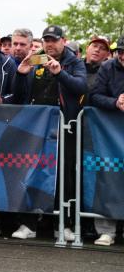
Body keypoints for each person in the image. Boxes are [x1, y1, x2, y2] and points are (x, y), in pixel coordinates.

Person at [12, 25, 86, 241]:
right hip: (37, 129)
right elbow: (19, 96)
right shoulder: (37, 59)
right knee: (33, 174)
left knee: (65, 176)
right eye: (46, 40)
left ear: (64, 41)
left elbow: (81, 87)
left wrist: (60, 73)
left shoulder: (74, 61)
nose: (49, 44)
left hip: (64, 128)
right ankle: (28, 224)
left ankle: (63, 224)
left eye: (54, 40)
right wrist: (20, 74)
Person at [87, 35, 124, 246]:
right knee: (109, 177)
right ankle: (106, 231)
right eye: (121, 52)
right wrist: (115, 102)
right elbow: (94, 96)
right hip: (110, 133)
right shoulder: (108, 67)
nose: (123, 56)